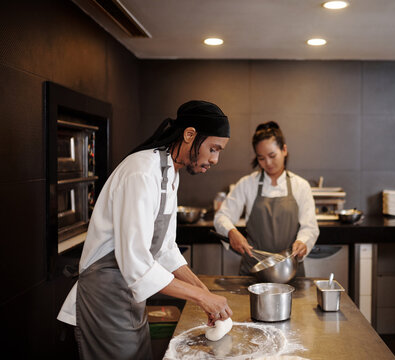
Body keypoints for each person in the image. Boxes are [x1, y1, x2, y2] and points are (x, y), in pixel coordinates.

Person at [57, 100, 233, 360]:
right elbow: (137, 266)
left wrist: (205, 293)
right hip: (104, 301)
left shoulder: (171, 173)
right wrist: (199, 297)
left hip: (130, 298)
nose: (215, 159)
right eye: (213, 149)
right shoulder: (141, 172)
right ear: (189, 135)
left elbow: (165, 250)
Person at [214, 121, 319, 276]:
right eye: (261, 158)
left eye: (272, 156)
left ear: (284, 150)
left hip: (289, 272)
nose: (268, 163)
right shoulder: (247, 183)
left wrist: (303, 242)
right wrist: (231, 232)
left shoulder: (301, 186)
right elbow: (222, 216)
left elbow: (310, 227)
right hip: (254, 271)